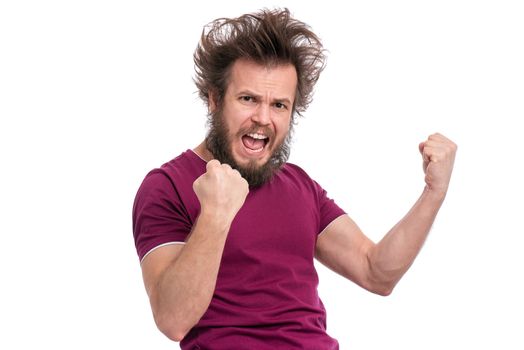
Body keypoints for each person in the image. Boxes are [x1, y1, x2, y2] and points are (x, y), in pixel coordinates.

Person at [132, 8, 457, 350]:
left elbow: (375, 271)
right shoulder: (166, 185)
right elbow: (173, 320)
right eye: (248, 99)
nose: (262, 118)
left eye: (279, 105)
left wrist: (434, 192)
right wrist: (215, 214)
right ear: (214, 99)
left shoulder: (298, 184)